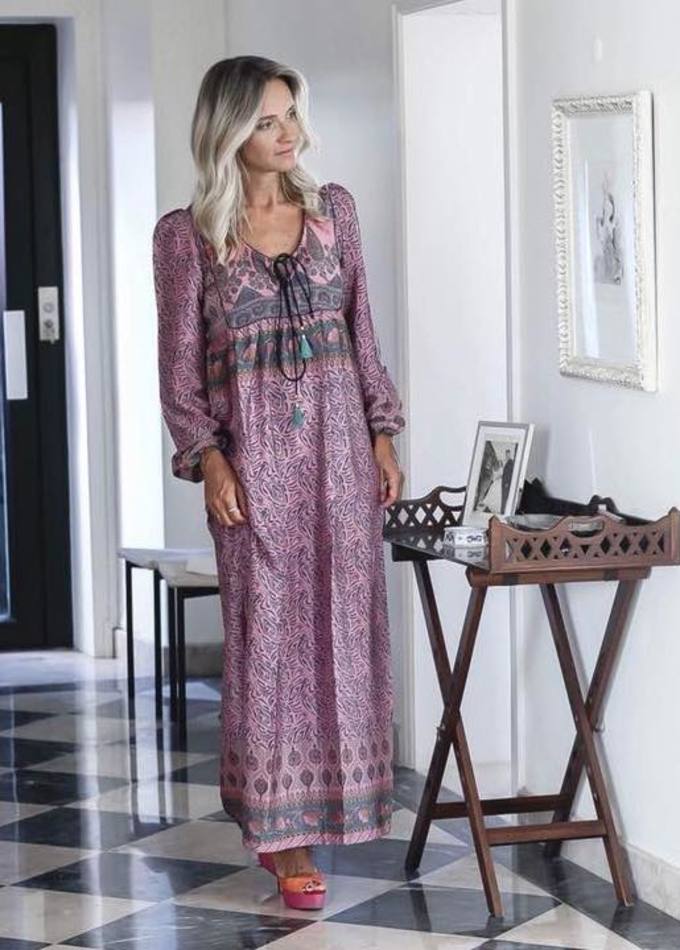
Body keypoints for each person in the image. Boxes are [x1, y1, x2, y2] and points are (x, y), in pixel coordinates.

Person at [152, 55, 405, 910]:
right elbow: (179, 372)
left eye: (290, 113)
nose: (287, 131)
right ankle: (280, 833)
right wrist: (209, 458)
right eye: (266, 120)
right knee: (267, 647)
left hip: (341, 464)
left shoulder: (335, 214)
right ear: (228, 132)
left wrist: (382, 432)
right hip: (254, 472)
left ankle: (334, 806)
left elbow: (362, 332)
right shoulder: (187, 237)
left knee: (342, 635)